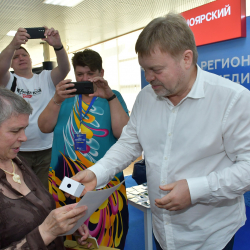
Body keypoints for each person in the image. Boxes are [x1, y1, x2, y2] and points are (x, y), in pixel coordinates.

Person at [70, 13, 250, 250]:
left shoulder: (232, 100)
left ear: (186, 58)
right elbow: (129, 143)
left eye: (156, 69)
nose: (148, 78)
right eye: (144, 69)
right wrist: (98, 172)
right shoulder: (147, 97)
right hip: (162, 231)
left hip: (210, 236)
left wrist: (197, 189)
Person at [38, 49, 129, 249]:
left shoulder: (113, 97)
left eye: (90, 74)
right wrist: (56, 100)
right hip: (64, 180)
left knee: (108, 233)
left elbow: (123, 133)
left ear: (101, 73)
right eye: (80, 74)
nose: (85, 79)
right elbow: (44, 126)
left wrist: (111, 97)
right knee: (66, 235)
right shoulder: (64, 97)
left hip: (104, 182)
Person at [0, 88, 92, 250]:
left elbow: (39, 209)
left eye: (25, 128)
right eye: (15, 130)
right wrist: (47, 231)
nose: (24, 137)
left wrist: (64, 224)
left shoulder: (16, 160)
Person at [0, 26, 70, 189]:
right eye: (16, 56)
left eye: (24, 55)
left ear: (31, 59)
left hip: (46, 149)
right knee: (21, 191)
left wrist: (58, 46)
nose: (21, 57)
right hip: (17, 150)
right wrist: (13, 45)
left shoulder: (46, 77)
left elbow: (65, 68)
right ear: (11, 63)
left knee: (45, 191)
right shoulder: (9, 79)